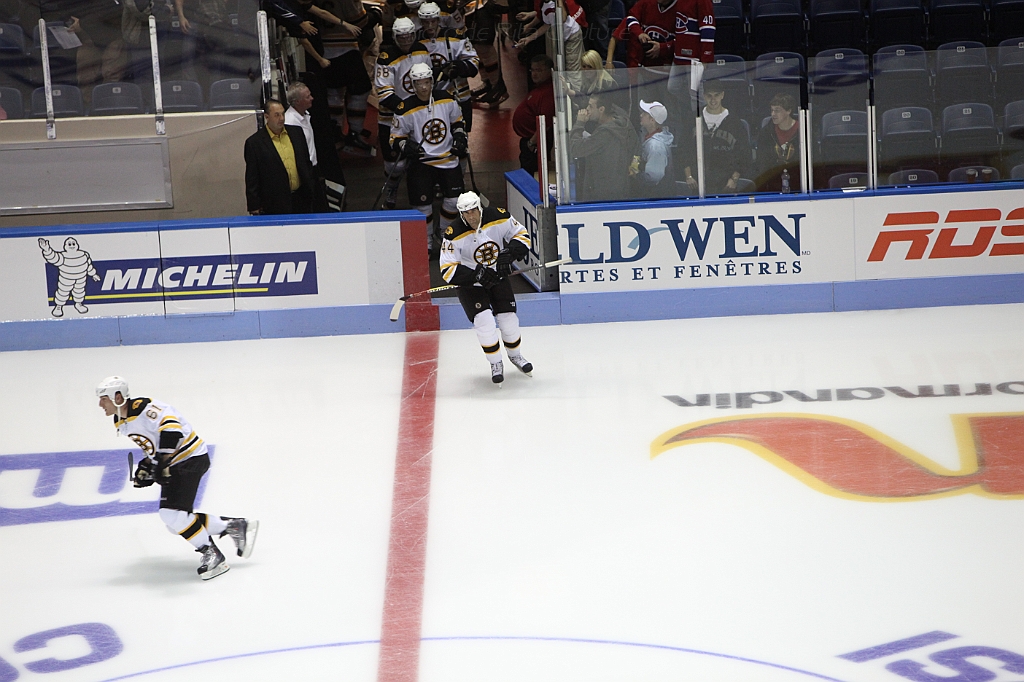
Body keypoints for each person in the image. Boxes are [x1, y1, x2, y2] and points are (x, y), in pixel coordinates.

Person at [95, 376, 258, 581]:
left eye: (104, 399)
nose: (100, 404)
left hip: (190, 458)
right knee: (175, 523)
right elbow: (153, 445)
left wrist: (162, 462)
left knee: (172, 515)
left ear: (117, 397)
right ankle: (234, 526)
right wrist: (148, 466)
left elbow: (172, 431)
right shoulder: (121, 420)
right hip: (180, 462)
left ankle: (212, 553)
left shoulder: (145, 409)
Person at [438, 191, 533, 385]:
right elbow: (447, 269)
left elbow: (522, 235)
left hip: (496, 276)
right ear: (461, 214)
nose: (471, 216)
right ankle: (495, 362)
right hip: (471, 284)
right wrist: (476, 274)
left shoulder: (498, 216)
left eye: (473, 211)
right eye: (466, 213)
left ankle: (515, 355)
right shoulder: (453, 233)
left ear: (480, 208)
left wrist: (509, 254)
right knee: (484, 321)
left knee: (508, 318)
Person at [389, 62, 468, 248]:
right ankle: (427, 243)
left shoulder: (447, 99)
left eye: (426, 82)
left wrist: (459, 137)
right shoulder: (405, 108)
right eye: (419, 83)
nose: (423, 87)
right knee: (422, 206)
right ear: (413, 84)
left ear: (432, 81)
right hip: (422, 161)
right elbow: (395, 138)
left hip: (448, 159)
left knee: (454, 201)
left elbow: (458, 122)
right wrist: (406, 145)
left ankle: (444, 234)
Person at [374, 17, 431, 208]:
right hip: (390, 119)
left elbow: (428, 81)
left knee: (420, 157)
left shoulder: (422, 50)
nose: (406, 40)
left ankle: (421, 192)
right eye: (401, 37)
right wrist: (408, 110)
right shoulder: (386, 58)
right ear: (395, 37)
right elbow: (385, 94)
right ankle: (391, 190)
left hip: (417, 117)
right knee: (394, 164)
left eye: (409, 36)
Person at [244, 99, 316, 215]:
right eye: (277, 115)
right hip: (274, 203)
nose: (281, 118)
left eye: (282, 114)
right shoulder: (255, 143)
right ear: (267, 117)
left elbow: (306, 163)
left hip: (301, 198)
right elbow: (252, 177)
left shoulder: (296, 133)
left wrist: (310, 187)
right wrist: (254, 206)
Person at [417, 2, 479, 131]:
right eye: (426, 22)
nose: (430, 26)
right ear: (421, 22)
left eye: (433, 21)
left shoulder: (456, 36)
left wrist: (459, 67)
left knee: (461, 135)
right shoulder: (416, 40)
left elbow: (474, 63)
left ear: (438, 20)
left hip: (459, 96)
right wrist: (438, 72)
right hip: (429, 98)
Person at [568, 90, 638, 202]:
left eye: (590, 106)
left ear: (601, 109)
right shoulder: (623, 123)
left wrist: (580, 123)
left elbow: (576, 149)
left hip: (601, 194)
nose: (587, 109)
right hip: (620, 187)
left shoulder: (604, 133)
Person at [683, 81, 749, 194]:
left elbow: (744, 154)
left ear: (722, 95)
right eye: (709, 95)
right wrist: (688, 176)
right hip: (697, 184)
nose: (713, 99)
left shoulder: (734, 122)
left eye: (716, 95)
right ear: (704, 96)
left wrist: (734, 179)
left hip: (726, 184)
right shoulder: (694, 119)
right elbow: (683, 150)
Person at [285, 82, 331, 212]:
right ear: (297, 102)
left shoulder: (306, 115)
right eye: (307, 96)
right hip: (303, 172)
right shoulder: (290, 122)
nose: (312, 98)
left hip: (313, 169)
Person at [512, 54, 556, 176]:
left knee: (532, 173)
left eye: (539, 70)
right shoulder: (539, 88)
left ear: (549, 71)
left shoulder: (548, 93)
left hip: (535, 142)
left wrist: (532, 143)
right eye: (533, 70)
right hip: (530, 140)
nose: (534, 74)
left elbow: (545, 123)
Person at [606, 0, 676, 69]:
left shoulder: (680, 10)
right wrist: (609, 62)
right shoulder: (644, 5)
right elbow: (614, 38)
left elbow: (682, 43)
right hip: (635, 68)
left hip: (666, 68)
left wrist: (663, 47)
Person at [754, 92, 800, 193]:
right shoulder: (766, 133)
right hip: (772, 185)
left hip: (798, 184)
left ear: (788, 111)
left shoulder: (803, 131)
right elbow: (762, 164)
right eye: (772, 110)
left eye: (777, 111)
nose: (773, 114)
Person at [633, 99, 675, 197]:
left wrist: (636, 175)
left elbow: (654, 177)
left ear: (652, 120)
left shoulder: (656, 146)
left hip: (656, 197)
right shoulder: (649, 137)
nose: (641, 115)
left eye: (644, 113)